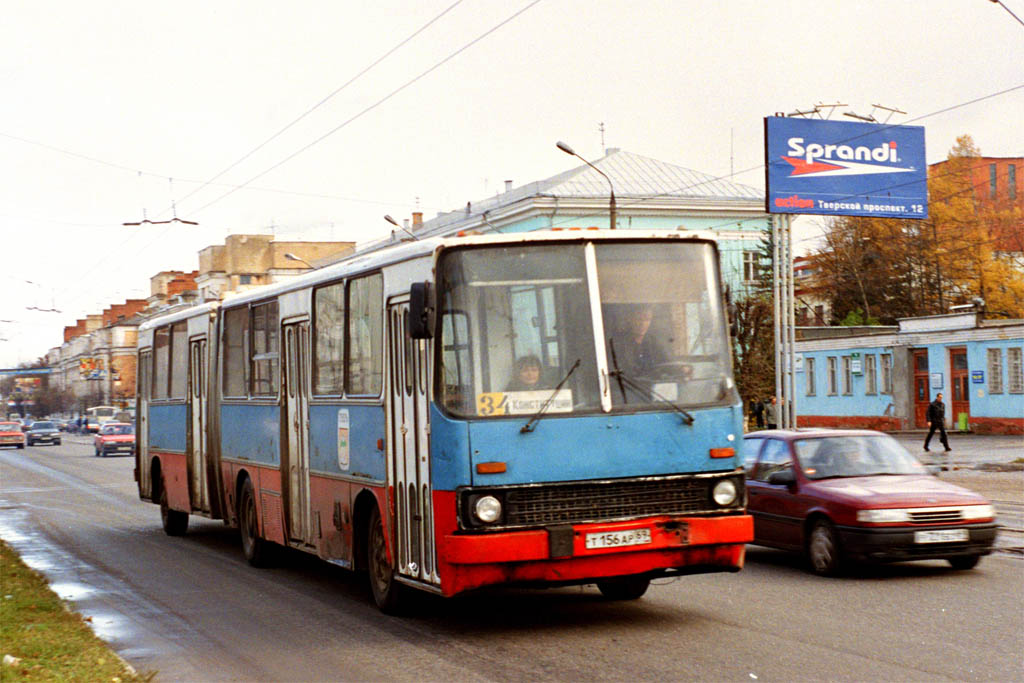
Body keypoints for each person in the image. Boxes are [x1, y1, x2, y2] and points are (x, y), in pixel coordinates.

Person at [611, 305, 667, 377]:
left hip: (651, 385)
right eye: (639, 319)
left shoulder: (653, 341)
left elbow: (666, 361)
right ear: (630, 319)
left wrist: (681, 369)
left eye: (647, 319)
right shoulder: (620, 344)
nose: (642, 324)